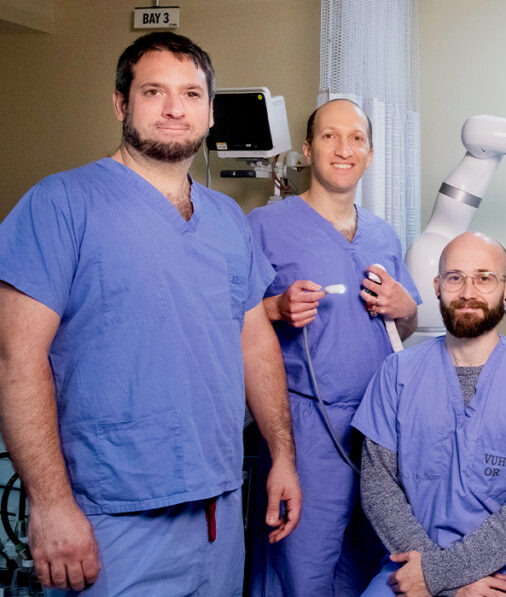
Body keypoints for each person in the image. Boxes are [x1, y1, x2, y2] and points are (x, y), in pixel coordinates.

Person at [0, 32, 301, 595]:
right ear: (121, 103)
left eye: (190, 94)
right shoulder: (61, 203)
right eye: (153, 91)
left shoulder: (227, 219)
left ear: (210, 112)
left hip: (217, 509)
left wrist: (282, 456)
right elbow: (17, 360)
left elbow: (254, 342)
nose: (173, 109)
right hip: (109, 517)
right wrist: (51, 506)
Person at [245, 98, 420, 596]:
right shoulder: (264, 226)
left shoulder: (383, 235)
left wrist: (405, 307)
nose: (344, 149)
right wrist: (276, 308)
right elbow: (229, 324)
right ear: (307, 149)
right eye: (329, 136)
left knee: (370, 564)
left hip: (378, 427)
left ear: (369, 153)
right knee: (303, 566)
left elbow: (397, 332)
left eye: (356, 138)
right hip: (305, 425)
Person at [353, 231, 506, 597]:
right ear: (438, 286)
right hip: (410, 564)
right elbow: (378, 488)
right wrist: (436, 576)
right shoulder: (397, 373)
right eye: (455, 278)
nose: (468, 292)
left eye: (485, 278)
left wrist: (441, 575)